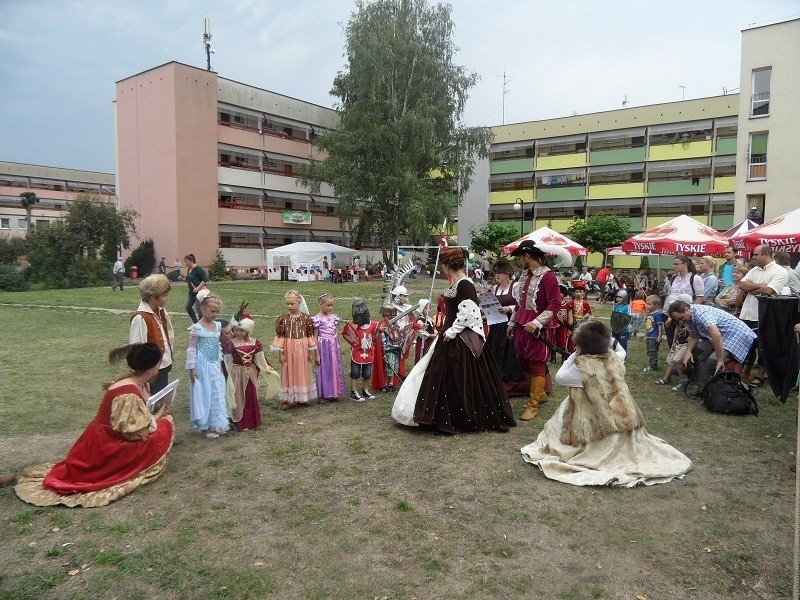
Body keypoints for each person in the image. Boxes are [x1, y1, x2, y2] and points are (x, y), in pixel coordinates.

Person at [520, 320, 692, 487]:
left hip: (595, 420)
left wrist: (574, 355)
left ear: (581, 346)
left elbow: (559, 377)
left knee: (564, 424)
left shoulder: (580, 369)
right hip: (622, 413)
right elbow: (621, 350)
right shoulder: (615, 358)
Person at [15, 343, 174, 507]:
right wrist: (159, 415)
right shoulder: (128, 394)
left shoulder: (134, 382)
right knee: (164, 427)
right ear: (151, 369)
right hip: (105, 444)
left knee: (162, 422)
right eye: (158, 363)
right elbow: (136, 433)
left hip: (100, 436)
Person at [391, 247, 516, 433]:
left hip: (458, 337)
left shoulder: (465, 284)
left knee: (455, 375)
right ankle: (434, 413)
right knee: (437, 373)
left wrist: (452, 331)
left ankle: (455, 416)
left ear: (448, 266)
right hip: (448, 333)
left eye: (443, 264)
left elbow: (469, 312)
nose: (442, 268)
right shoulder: (457, 284)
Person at [507, 240, 564, 421]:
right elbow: (519, 304)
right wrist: (511, 323)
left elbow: (554, 304)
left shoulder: (548, 277)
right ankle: (539, 395)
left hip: (538, 328)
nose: (519, 262)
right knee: (523, 362)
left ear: (527, 256)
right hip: (521, 325)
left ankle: (533, 405)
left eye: (520, 258)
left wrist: (538, 322)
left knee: (536, 363)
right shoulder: (525, 276)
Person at [667, 300, 757, 391]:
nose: (681, 321)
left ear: (686, 310)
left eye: (681, 318)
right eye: (679, 320)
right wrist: (688, 352)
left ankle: (704, 388)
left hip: (737, 336)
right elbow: (692, 337)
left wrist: (720, 360)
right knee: (697, 354)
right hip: (718, 336)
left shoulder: (702, 314)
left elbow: (716, 335)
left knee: (711, 363)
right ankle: (699, 382)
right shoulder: (689, 318)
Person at [737, 245, 788, 386]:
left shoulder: (780, 272)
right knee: (744, 344)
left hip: (764, 315)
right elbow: (742, 285)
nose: (753, 257)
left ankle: (759, 375)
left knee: (763, 347)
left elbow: (769, 290)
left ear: (766, 254)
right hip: (747, 313)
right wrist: (759, 285)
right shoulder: (754, 269)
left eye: (756, 254)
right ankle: (740, 373)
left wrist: (752, 287)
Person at [187, 291, 229, 438]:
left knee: (217, 390)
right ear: (203, 309)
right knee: (205, 392)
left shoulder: (217, 326)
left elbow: (217, 345)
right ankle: (205, 426)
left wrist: (219, 363)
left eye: (217, 312)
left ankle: (217, 422)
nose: (215, 314)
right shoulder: (197, 328)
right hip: (202, 364)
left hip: (214, 363)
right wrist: (192, 368)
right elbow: (192, 348)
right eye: (212, 311)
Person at [224, 308, 274, 430]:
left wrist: (266, 367)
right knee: (239, 396)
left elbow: (259, 358)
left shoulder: (255, 343)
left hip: (250, 372)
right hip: (237, 373)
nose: (238, 332)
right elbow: (227, 361)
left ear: (247, 330)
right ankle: (242, 421)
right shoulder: (231, 344)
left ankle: (253, 420)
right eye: (236, 329)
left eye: (241, 330)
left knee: (251, 395)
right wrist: (228, 375)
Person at [485, 258, 529, 397]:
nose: (497, 275)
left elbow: (520, 304)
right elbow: (490, 306)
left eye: (500, 272)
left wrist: (509, 308)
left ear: (507, 273)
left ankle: (515, 383)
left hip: (511, 323)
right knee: (495, 351)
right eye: (496, 272)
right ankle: (496, 381)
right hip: (497, 325)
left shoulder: (515, 286)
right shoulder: (494, 289)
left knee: (511, 353)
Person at [129, 274, 175, 394]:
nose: (167, 298)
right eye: (164, 295)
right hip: (151, 370)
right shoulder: (141, 318)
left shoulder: (160, 311)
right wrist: (144, 373)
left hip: (163, 364)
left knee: (161, 396)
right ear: (153, 297)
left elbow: (168, 334)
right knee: (152, 399)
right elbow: (137, 348)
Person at [272, 290, 316, 409]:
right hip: (288, 348)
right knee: (288, 370)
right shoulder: (283, 319)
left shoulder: (306, 319)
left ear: (299, 303)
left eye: (292, 303)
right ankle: (286, 399)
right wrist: (281, 353)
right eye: (287, 304)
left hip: (302, 349)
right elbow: (281, 337)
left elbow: (309, 335)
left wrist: (311, 351)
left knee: (301, 370)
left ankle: (302, 397)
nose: (289, 306)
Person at [342, 298, 379, 402]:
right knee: (355, 373)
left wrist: (379, 331)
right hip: (357, 353)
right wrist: (351, 328)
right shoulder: (354, 325)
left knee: (367, 373)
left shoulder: (373, 324)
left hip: (368, 352)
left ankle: (365, 390)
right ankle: (353, 392)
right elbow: (349, 337)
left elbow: (374, 339)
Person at [662, 255, 704, 347]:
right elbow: (669, 295)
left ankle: (683, 359)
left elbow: (699, 297)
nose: (674, 266)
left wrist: (690, 314)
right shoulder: (674, 278)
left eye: (676, 264)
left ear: (685, 264)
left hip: (683, 313)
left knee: (682, 339)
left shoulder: (695, 278)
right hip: (669, 313)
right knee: (670, 338)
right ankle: (672, 356)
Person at [312, 293, 346, 403]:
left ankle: (334, 392)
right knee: (324, 370)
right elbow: (315, 337)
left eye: (332, 305)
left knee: (334, 368)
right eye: (328, 305)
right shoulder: (317, 319)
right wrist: (316, 354)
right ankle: (323, 394)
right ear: (320, 305)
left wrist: (337, 347)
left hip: (333, 347)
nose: (330, 308)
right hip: (323, 347)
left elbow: (335, 332)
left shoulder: (333, 318)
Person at [377, 306, 403, 392]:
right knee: (389, 368)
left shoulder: (394, 325)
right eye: (390, 316)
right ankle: (385, 384)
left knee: (394, 367)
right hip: (387, 349)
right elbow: (382, 339)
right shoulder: (382, 325)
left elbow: (398, 337)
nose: (391, 318)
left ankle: (391, 384)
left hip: (395, 349)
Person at [562, 281, 592, 353]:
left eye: (581, 291)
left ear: (584, 293)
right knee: (572, 339)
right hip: (573, 325)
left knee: (582, 338)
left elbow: (589, 314)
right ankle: (572, 351)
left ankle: (582, 350)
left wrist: (586, 318)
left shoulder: (586, 304)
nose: (578, 294)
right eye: (577, 291)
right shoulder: (570, 303)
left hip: (582, 325)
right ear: (573, 293)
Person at [642, 295, 664, 372]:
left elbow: (659, 326)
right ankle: (652, 364)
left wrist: (659, 335)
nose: (647, 306)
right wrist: (645, 335)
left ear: (656, 305)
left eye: (649, 304)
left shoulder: (657, 314)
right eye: (646, 303)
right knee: (649, 351)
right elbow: (647, 326)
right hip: (649, 336)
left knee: (653, 351)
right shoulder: (649, 314)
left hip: (654, 336)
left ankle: (653, 366)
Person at [183, 254, 208, 324]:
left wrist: (198, 288)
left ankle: (201, 324)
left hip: (199, 292)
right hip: (191, 292)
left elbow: (205, 279)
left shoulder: (198, 269)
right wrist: (183, 279)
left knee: (198, 309)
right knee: (188, 306)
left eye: (186, 262)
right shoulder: (189, 269)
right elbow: (190, 280)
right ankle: (195, 322)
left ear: (191, 261)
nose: (185, 264)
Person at [412, 299, 436, 363]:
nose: (429, 310)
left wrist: (435, 332)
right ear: (421, 308)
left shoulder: (428, 318)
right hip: (423, 341)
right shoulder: (421, 320)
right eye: (426, 308)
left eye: (430, 308)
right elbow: (420, 332)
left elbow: (432, 327)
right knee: (423, 355)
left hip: (429, 341)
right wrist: (430, 335)